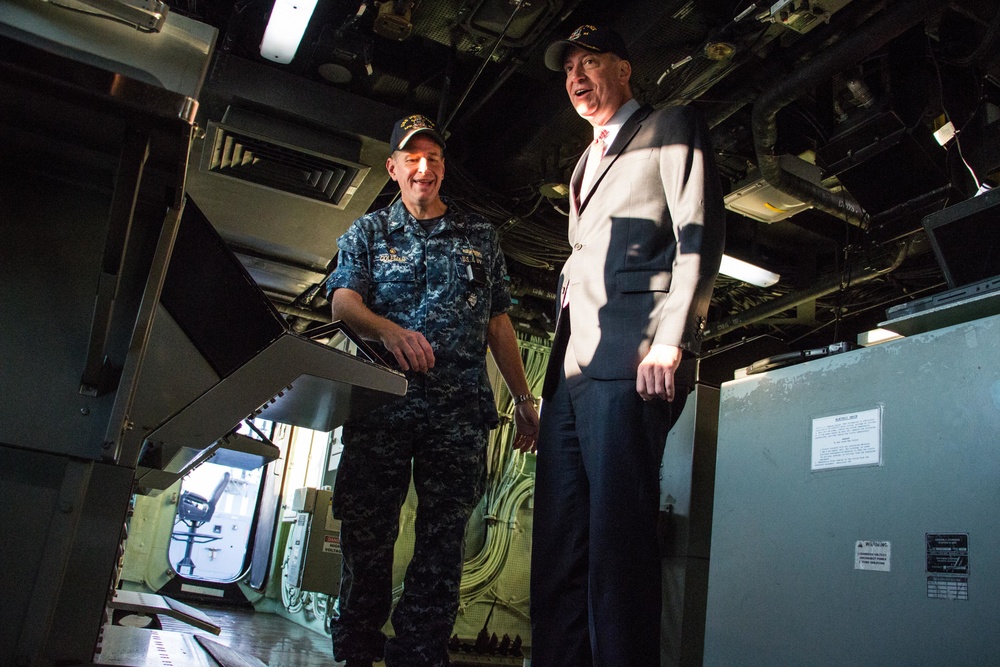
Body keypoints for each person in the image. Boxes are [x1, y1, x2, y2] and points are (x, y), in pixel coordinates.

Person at [529, 25, 726, 666]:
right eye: (568, 71)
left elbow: (699, 237)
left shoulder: (672, 124)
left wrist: (672, 340)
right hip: (570, 373)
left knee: (617, 550)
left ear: (624, 68)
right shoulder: (584, 163)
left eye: (590, 63)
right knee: (558, 551)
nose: (576, 77)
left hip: (629, 364)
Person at [323, 114, 539, 667]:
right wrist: (389, 331)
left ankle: (419, 654)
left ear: (443, 168)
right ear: (393, 168)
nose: (424, 168)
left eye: (434, 158)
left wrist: (523, 399)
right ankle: (357, 651)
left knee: (442, 546)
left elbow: (498, 324)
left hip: (457, 413)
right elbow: (343, 304)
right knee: (368, 538)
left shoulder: (479, 238)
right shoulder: (367, 233)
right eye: (412, 158)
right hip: (381, 407)